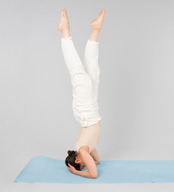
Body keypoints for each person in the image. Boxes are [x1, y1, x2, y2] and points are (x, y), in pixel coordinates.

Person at [58, 8, 105, 179]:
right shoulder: (87, 149)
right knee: (93, 70)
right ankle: (96, 29)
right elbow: (97, 161)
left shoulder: (83, 150)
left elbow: (94, 174)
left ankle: (65, 33)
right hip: (91, 110)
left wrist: (76, 171)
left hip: (85, 111)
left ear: (77, 159)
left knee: (79, 74)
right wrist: (88, 160)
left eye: (82, 164)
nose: (86, 164)